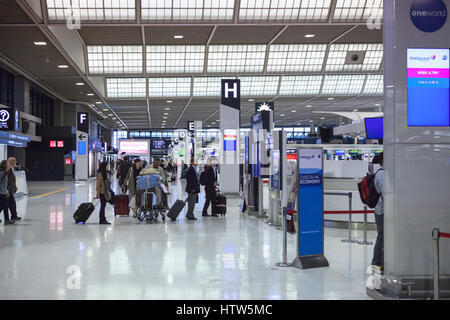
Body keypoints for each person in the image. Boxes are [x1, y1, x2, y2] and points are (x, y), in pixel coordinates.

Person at [371, 152, 384, 272]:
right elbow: (386, 193)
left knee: (383, 237)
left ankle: (381, 262)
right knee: (381, 237)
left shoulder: (383, 173)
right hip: (382, 211)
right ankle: (375, 263)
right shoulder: (381, 174)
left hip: (381, 209)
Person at [7, 157, 21, 222]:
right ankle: (13, 216)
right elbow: (8, 180)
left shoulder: (12, 168)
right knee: (4, 204)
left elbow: (13, 180)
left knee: (12, 204)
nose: (15, 163)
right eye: (14, 161)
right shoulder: (8, 169)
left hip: (10, 189)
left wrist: (15, 186)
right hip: (7, 190)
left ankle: (14, 216)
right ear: (11, 162)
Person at [0, 160, 14, 225]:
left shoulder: (5, 171)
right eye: (8, 163)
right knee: (5, 206)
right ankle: (7, 220)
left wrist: (6, 191)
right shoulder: (1, 172)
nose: (9, 164)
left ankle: (7, 220)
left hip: (3, 191)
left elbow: (5, 183)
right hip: (1, 192)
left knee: (2, 206)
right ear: (5, 164)